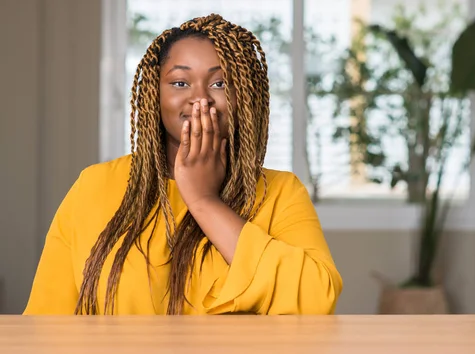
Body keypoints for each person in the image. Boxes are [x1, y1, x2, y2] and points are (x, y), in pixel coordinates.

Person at [24, 14, 343, 315]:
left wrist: (204, 201)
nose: (200, 98)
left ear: (245, 97)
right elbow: (45, 320)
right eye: (180, 83)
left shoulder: (280, 192)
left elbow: (317, 298)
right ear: (154, 94)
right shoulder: (94, 186)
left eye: (219, 84)